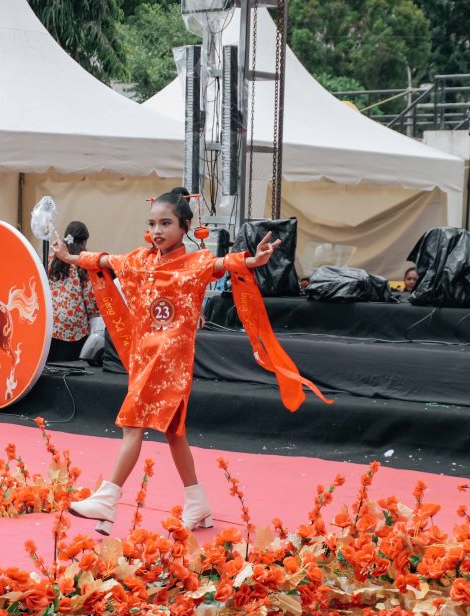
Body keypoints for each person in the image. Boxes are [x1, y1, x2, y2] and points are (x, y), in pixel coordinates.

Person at [52, 187, 329, 535]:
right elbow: (103, 260)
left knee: (133, 424)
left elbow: (225, 263)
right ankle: (197, 503)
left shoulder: (195, 264)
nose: (157, 230)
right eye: (152, 223)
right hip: (144, 360)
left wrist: (252, 261)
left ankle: (108, 498)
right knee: (173, 433)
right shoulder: (139, 261)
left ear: (185, 226)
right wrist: (68, 256)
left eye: (166, 223)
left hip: (170, 363)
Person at [47, 221, 99, 362]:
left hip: (52, 322)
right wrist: (94, 315)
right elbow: (89, 297)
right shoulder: (83, 261)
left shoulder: (51, 259)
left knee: (51, 365)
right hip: (75, 326)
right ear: (84, 241)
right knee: (72, 365)